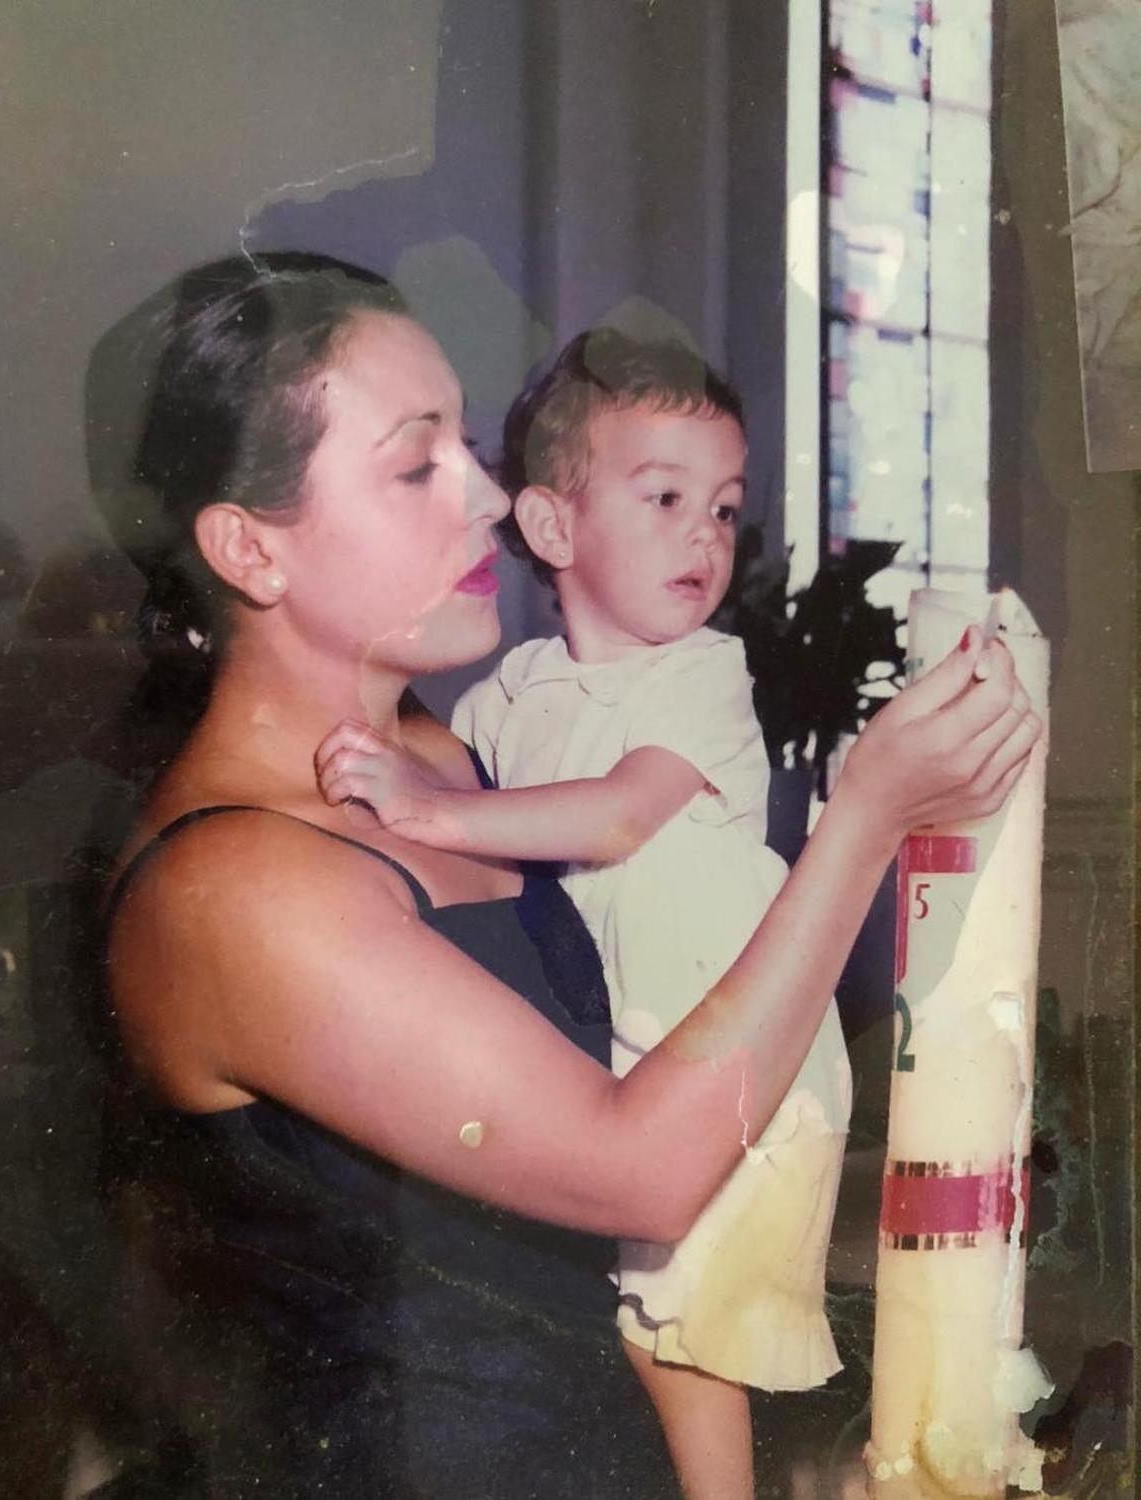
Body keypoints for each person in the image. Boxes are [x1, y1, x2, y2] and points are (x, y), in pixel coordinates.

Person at [101, 251, 1040, 1499]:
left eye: (469, 452)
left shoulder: (450, 745)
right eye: (414, 461)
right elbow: (633, 1170)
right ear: (249, 550)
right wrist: (863, 820)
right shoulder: (233, 892)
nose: (489, 501)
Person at [314, 330, 839, 1499]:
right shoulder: (508, 695)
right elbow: (485, 825)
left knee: (683, 1331)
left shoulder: (702, 674)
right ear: (552, 530)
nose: (705, 535)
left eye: (723, 508)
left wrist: (432, 815)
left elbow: (611, 817)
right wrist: (404, 797)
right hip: (622, 1049)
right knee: (621, 1324)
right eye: (665, 498)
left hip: (731, 1049)